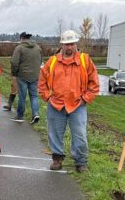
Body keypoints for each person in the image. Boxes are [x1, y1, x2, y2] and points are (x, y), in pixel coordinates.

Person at [38, 30, 99, 172]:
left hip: (77, 105)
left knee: (80, 135)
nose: (69, 47)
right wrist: (47, 96)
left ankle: (81, 162)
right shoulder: (52, 61)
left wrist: (86, 99)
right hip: (56, 105)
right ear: (62, 45)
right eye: (66, 44)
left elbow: (94, 83)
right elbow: (42, 81)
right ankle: (57, 159)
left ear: (75, 44)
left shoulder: (85, 60)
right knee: (55, 133)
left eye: (71, 44)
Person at [9, 32, 43, 124]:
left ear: (22, 38)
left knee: (22, 96)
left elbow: (14, 62)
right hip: (35, 76)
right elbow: (40, 61)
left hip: (22, 76)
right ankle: (35, 114)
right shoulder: (38, 48)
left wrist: (14, 73)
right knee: (34, 96)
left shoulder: (19, 48)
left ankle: (20, 116)